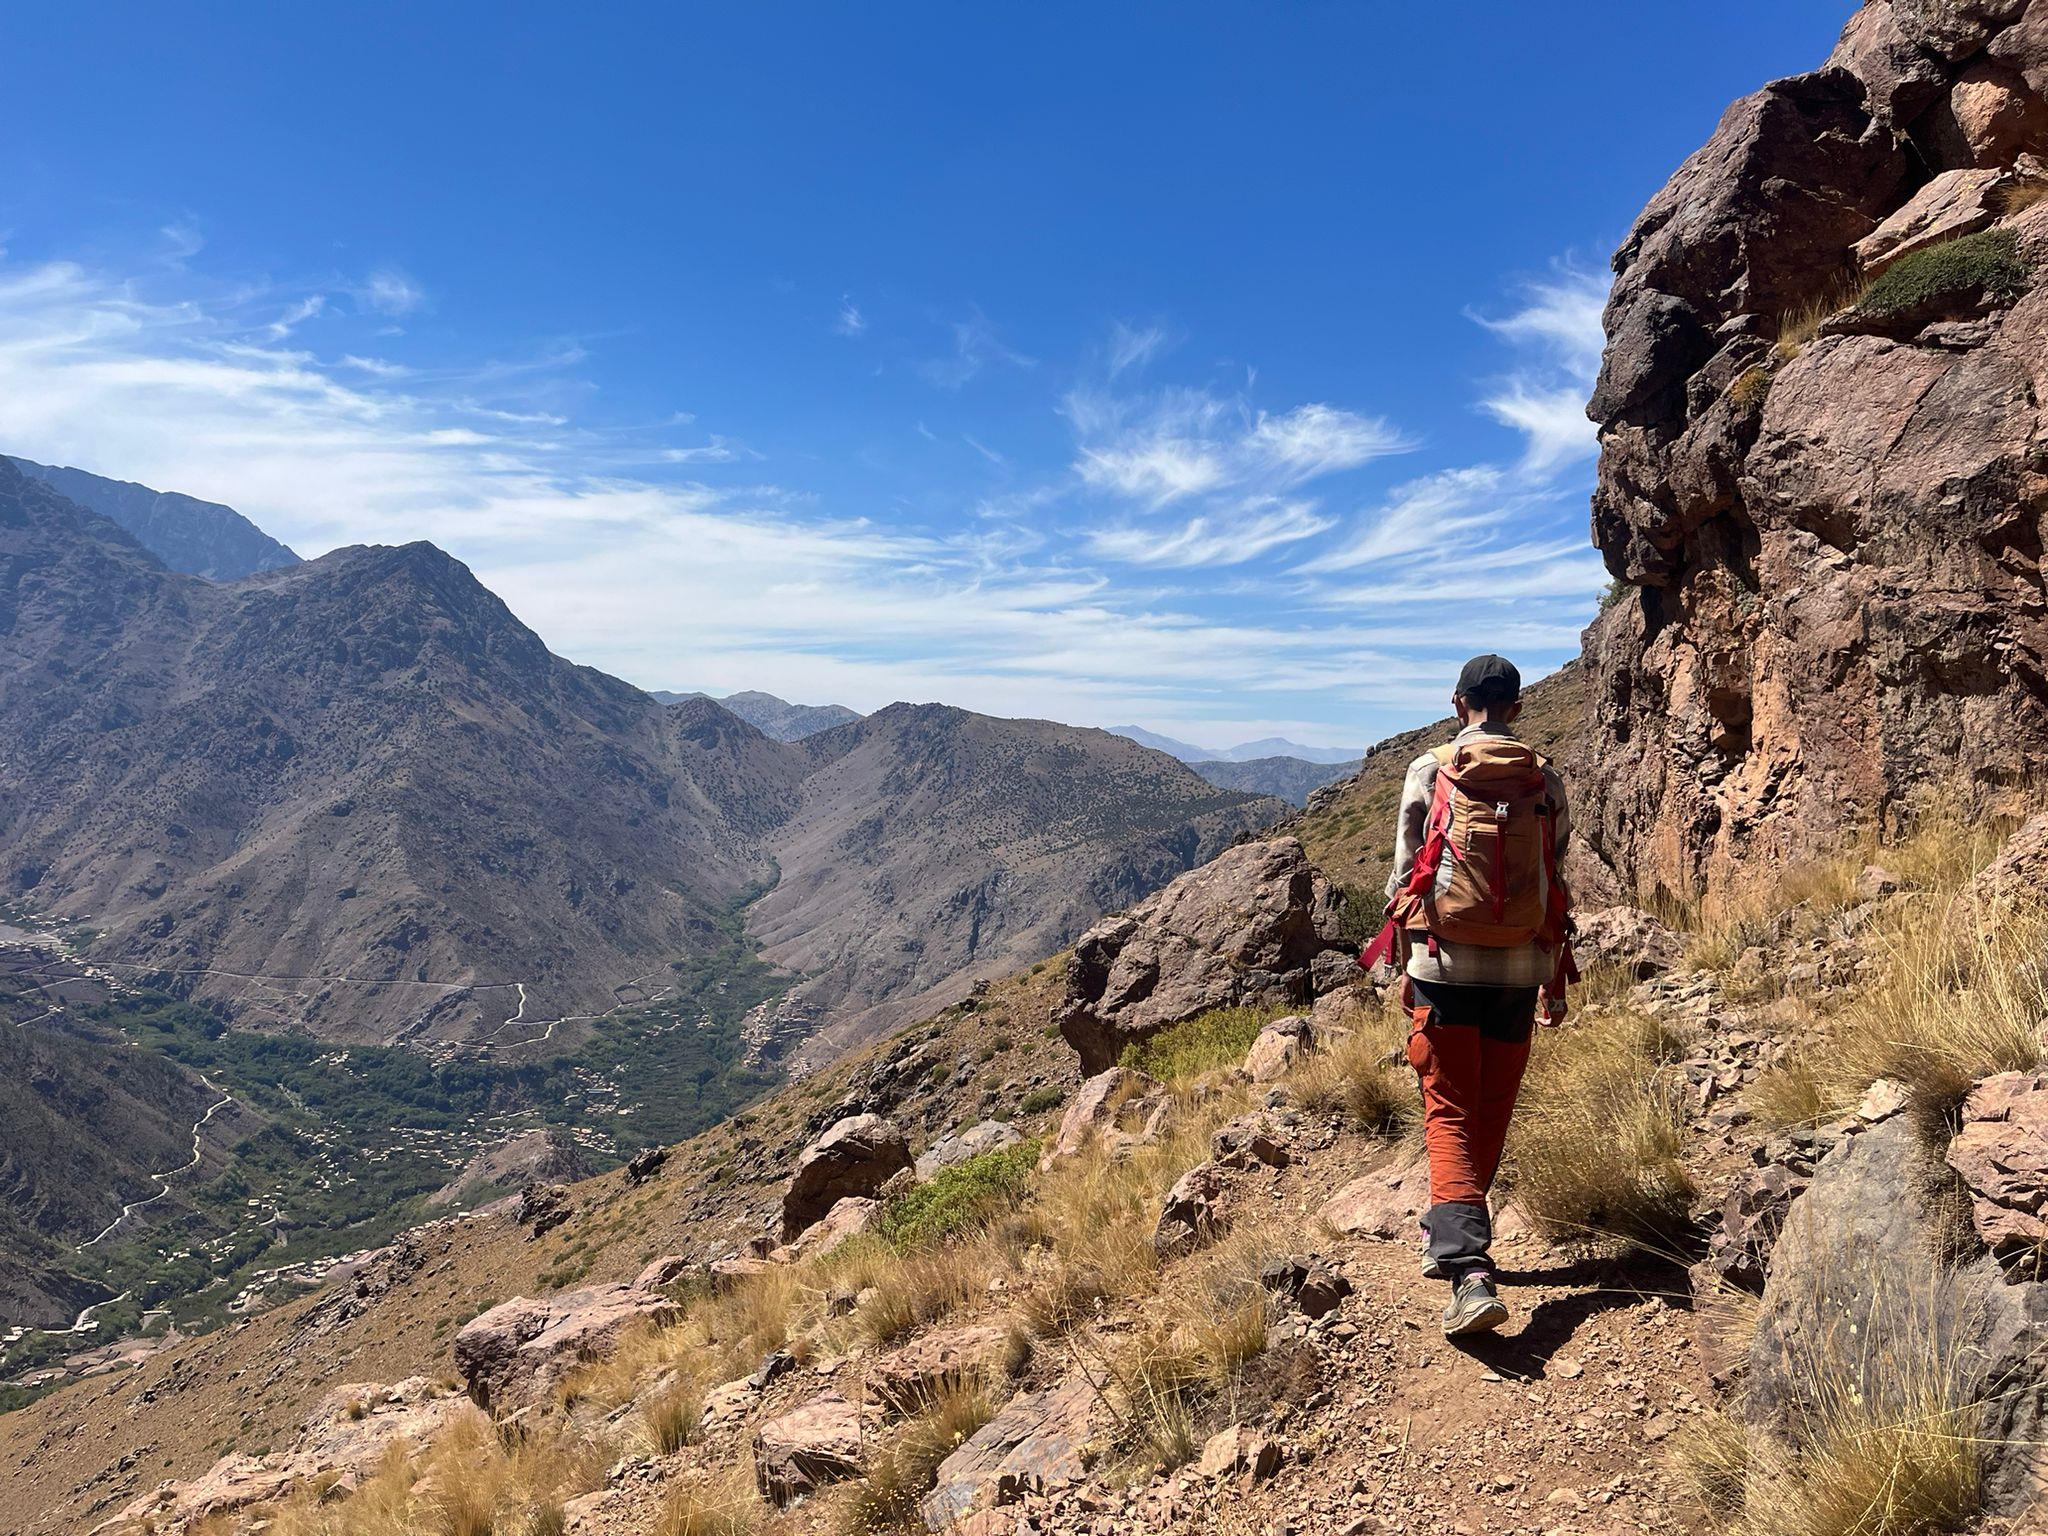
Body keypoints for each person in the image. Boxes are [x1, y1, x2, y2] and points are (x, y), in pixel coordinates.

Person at [1362, 653, 1574, 1337]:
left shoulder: (1431, 769)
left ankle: (1468, 1269)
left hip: (1444, 967)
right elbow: (1556, 866)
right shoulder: (1545, 778)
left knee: (1448, 1109)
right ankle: (1454, 1230)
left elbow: (1403, 874)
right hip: (1521, 968)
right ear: (1515, 707)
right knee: (1490, 1106)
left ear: (1459, 705)